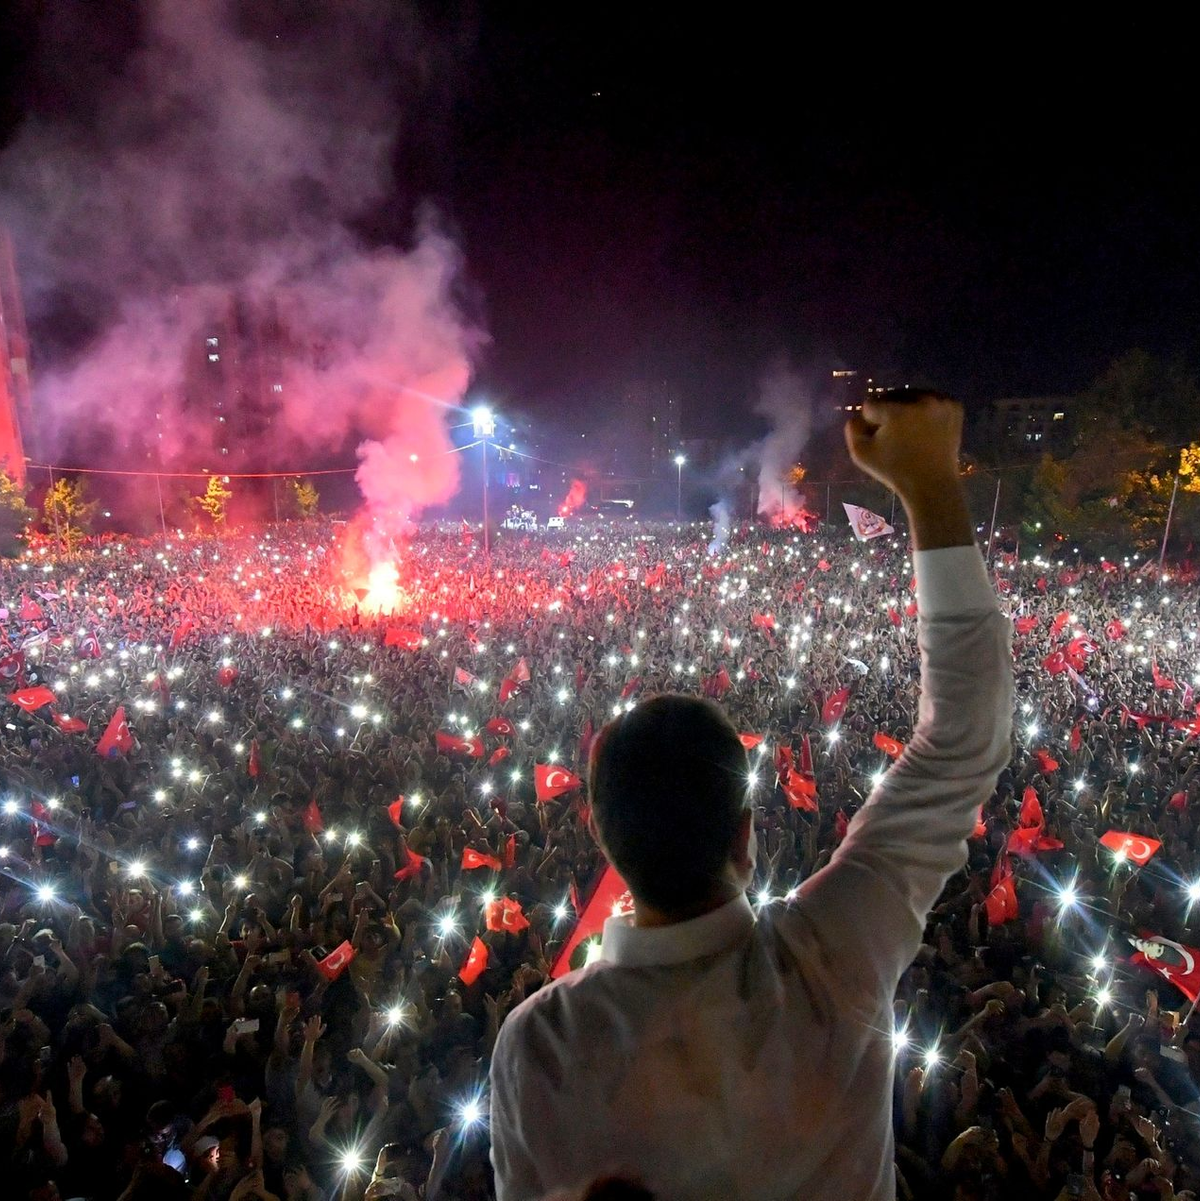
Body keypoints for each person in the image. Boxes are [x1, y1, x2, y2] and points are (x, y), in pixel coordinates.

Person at [488, 392, 1015, 1200]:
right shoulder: (831, 958)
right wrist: (931, 486)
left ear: (602, 836)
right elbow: (964, 739)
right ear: (745, 832)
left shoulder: (541, 1047)